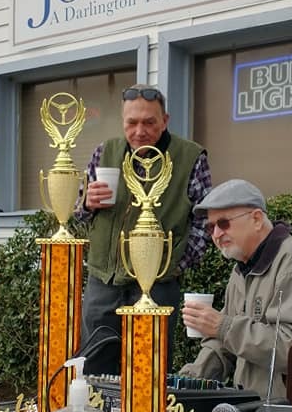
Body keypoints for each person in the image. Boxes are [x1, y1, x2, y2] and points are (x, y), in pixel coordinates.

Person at [77, 85, 211, 374]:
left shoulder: (190, 157)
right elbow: (79, 216)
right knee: (94, 370)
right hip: (103, 280)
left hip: (158, 286)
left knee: (148, 372)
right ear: (123, 121)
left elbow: (204, 220)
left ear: (165, 120)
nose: (139, 131)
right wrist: (87, 204)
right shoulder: (105, 152)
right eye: (131, 123)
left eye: (149, 122)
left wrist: (173, 265)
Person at [179, 178, 292, 403]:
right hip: (259, 410)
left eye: (223, 223)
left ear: (257, 219)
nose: (216, 234)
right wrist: (185, 383)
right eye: (210, 227)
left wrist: (223, 326)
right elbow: (224, 343)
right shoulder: (241, 270)